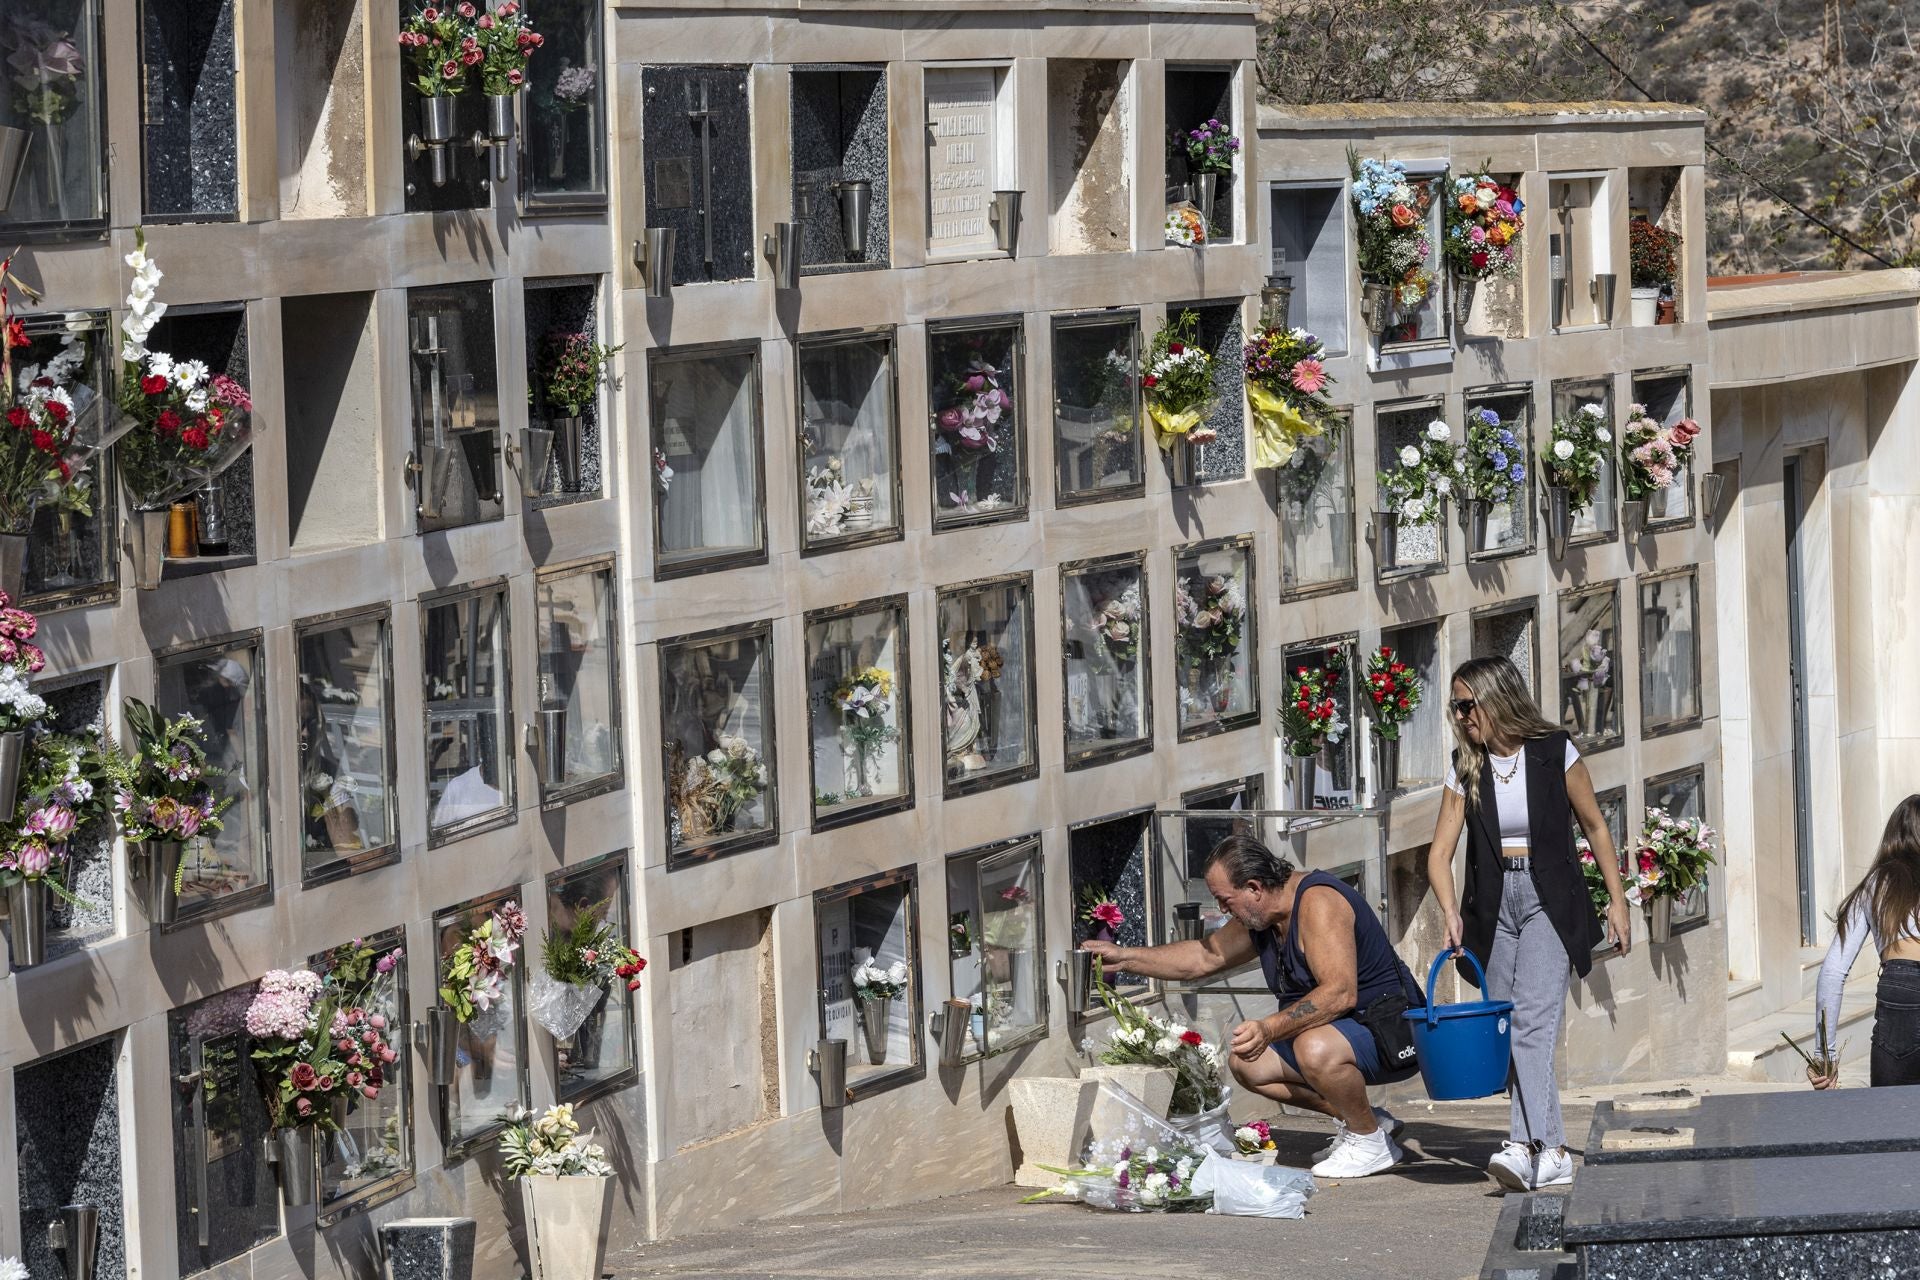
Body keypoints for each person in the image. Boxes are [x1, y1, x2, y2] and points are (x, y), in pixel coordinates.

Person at [1080, 833, 1422, 1180]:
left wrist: (1269, 1028)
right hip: (1345, 1034)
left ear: (1254, 888)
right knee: (1248, 1062)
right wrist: (1124, 959)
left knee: (1312, 1047)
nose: (1223, 910)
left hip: (1392, 1033)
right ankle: (1363, 1120)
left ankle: (1369, 1143)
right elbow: (1203, 957)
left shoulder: (1319, 903)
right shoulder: (1264, 918)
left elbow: (1339, 993)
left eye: (1225, 900)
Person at [1424, 656, 1630, 1193]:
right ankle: (1555, 1151)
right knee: (1516, 1027)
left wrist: (1617, 899)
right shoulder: (1464, 765)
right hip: (1495, 908)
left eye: (1468, 705)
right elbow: (1438, 854)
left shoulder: (1554, 751)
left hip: (1549, 900)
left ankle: (1522, 1145)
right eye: (1456, 707)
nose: (1462, 716)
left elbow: (1595, 826)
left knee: (1531, 1026)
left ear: (1497, 698)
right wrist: (1450, 912)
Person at [1808, 795, 1920, 1090]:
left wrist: (1824, 1058)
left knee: (1891, 1117)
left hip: (1902, 986)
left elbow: (1833, 971)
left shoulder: (1878, 883)